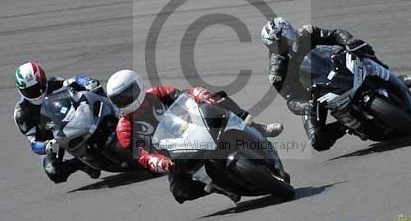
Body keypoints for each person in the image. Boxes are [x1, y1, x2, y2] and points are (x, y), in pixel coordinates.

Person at [106, 69, 283, 204]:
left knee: (219, 99)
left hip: (193, 125)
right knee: (179, 191)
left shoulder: (158, 93)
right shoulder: (125, 129)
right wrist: (161, 162)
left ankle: (257, 127)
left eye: (127, 94)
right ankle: (215, 187)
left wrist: (203, 96)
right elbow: (143, 155)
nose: (126, 100)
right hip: (172, 152)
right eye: (119, 99)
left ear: (137, 86)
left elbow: (187, 94)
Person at [261, 17, 411, 151]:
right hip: (314, 93)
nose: (283, 44)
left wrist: (347, 40)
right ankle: (346, 125)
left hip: (331, 64)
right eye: (276, 44)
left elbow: (334, 34)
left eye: (284, 39)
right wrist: (305, 106)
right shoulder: (277, 73)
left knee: (360, 47)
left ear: (290, 31)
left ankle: (392, 77)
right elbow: (290, 99)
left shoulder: (306, 33)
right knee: (318, 141)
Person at [13, 61, 103, 183]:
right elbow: (34, 144)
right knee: (54, 172)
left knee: (97, 93)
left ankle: (121, 115)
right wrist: (46, 146)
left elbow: (75, 80)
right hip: (51, 138)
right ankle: (81, 164)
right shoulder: (21, 113)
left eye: (37, 88)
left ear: (43, 81)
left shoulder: (54, 83)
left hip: (72, 117)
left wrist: (87, 82)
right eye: (29, 91)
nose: (35, 93)